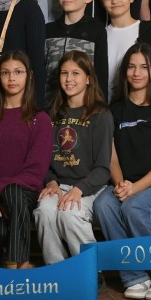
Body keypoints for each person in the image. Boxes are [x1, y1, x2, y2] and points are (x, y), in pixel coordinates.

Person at [93, 42, 151, 300]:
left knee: (136, 207)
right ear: (124, 71)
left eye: (144, 67)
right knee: (103, 204)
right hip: (127, 183)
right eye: (131, 67)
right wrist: (121, 184)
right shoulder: (114, 110)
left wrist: (134, 189)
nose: (137, 73)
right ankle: (134, 277)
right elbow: (111, 156)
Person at [35, 51, 112, 266]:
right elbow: (42, 159)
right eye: (64, 73)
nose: (69, 79)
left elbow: (103, 169)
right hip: (58, 185)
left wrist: (79, 189)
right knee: (44, 212)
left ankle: (91, 272)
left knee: (69, 214)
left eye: (76, 73)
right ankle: (57, 270)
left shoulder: (100, 115)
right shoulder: (51, 114)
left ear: (88, 78)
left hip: (89, 187)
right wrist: (50, 181)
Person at [0, 50, 52, 268]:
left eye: (18, 72)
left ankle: (17, 265)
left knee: (14, 192)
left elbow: (35, 172)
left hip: (25, 194)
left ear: (29, 75)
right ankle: (3, 270)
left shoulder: (40, 119)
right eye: (5, 73)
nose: (12, 78)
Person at [44, 0, 108, 104]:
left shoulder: (96, 31)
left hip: (84, 107)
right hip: (49, 105)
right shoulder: (48, 30)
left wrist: (100, 106)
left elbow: (100, 74)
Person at [98, 0, 151, 98]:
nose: (115, 1)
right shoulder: (99, 35)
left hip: (140, 104)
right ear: (102, 1)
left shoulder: (148, 32)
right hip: (105, 104)